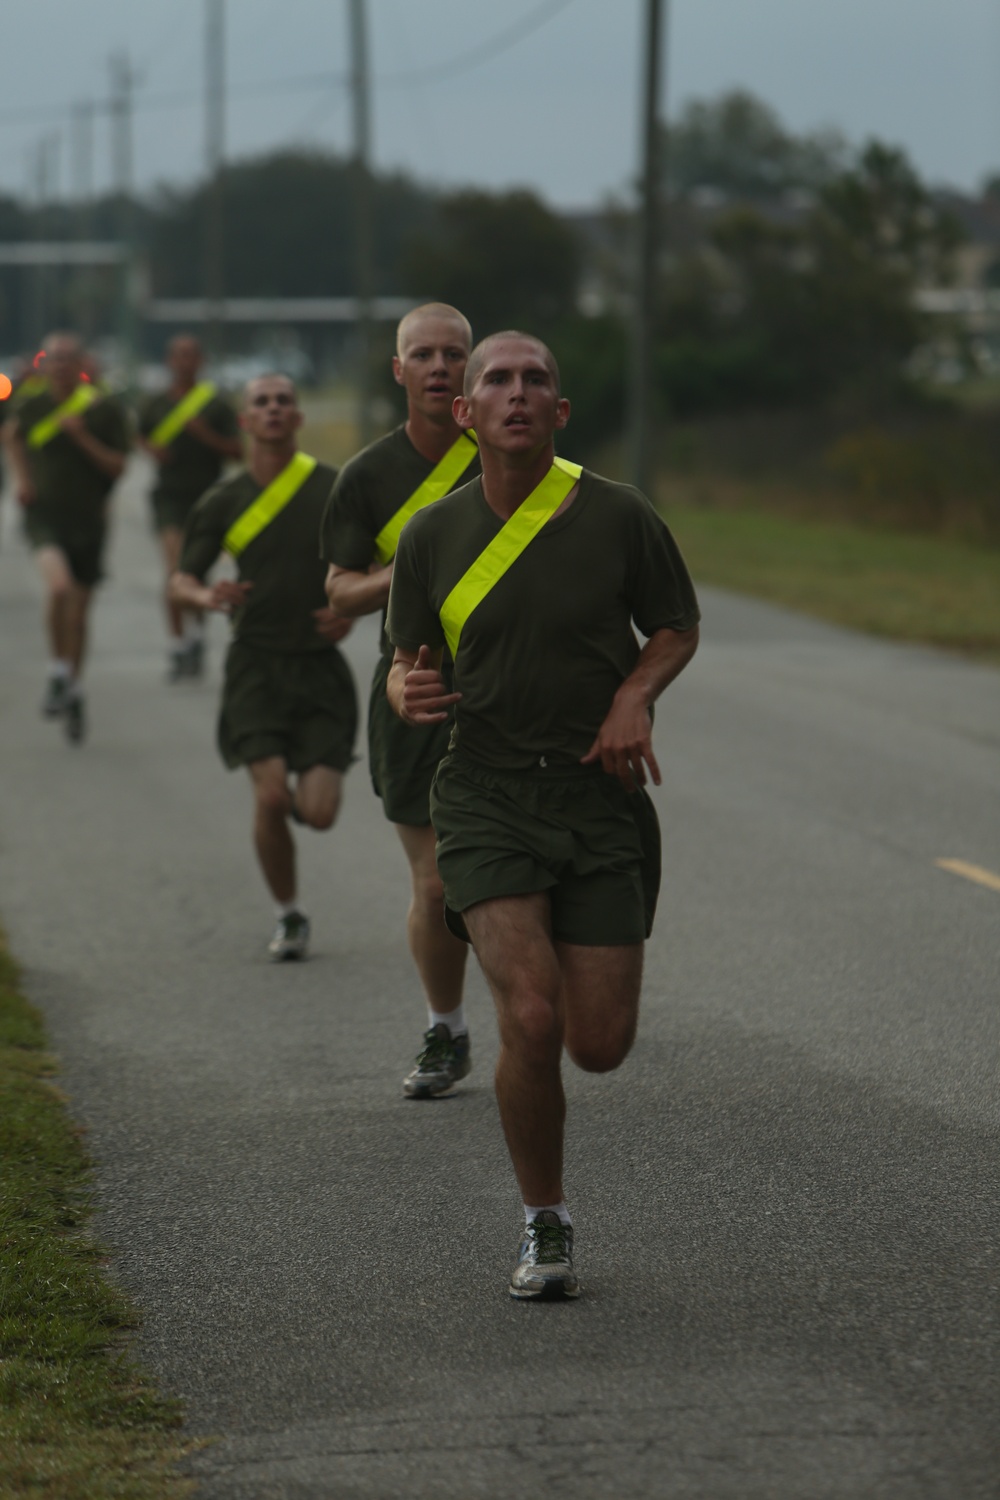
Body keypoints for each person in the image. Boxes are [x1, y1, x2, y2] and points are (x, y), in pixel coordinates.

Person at [386, 332, 700, 1299]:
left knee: (597, 1044)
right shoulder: (430, 536)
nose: (517, 393)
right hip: (482, 795)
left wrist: (634, 694)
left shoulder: (618, 516)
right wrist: (404, 689)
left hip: (595, 798)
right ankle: (545, 1222)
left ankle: (547, 1147)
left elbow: (676, 626)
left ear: (560, 413)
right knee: (530, 1012)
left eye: (536, 381)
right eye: (497, 380)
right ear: (465, 412)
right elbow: (410, 656)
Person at [321, 303, 480, 1098]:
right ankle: (446, 1028)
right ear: (399, 370)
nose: (440, 367)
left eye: (454, 353)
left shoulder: (512, 457)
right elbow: (340, 591)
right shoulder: (368, 477)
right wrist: (409, 568)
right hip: (413, 685)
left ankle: (535, 1002)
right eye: (424, 354)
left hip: (512, 687)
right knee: (438, 883)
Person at [170, 374, 357, 961]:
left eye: (283, 402)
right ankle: (289, 914)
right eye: (261, 403)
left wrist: (349, 613)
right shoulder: (222, 500)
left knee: (319, 814)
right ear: (245, 423)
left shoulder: (333, 488)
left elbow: (373, 564)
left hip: (320, 670)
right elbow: (181, 580)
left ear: (297, 419)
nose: (273, 410)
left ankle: (292, 836)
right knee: (272, 798)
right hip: (255, 666)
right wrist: (206, 598)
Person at [3, 332, 130, 744]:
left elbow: (117, 467)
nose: (58, 366)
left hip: (88, 522)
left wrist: (80, 436)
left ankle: (73, 686)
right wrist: (23, 481)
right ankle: (58, 673)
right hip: (45, 518)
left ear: (81, 365)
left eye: (66, 359)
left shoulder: (103, 409)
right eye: (52, 359)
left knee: (79, 613)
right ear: (45, 365)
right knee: (58, 588)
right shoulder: (32, 404)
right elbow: (12, 437)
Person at [139, 335, 242, 680]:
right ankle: (178, 643)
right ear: (169, 361)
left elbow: (238, 452)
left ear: (201, 361)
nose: (184, 362)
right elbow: (138, 434)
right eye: (178, 355)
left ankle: (196, 635)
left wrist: (205, 436)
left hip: (209, 499)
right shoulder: (156, 403)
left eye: (191, 356)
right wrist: (151, 449)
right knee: (174, 570)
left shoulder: (215, 405)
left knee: (195, 573)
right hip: (168, 497)